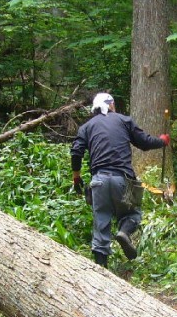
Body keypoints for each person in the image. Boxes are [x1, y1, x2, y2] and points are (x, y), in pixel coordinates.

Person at [71, 92, 170, 266]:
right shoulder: (124, 121)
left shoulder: (86, 127)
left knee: (101, 222)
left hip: (99, 181)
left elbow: (76, 152)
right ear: (110, 104)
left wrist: (76, 178)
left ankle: (101, 270)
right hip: (122, 179)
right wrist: (161, 141)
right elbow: (144, 142)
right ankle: (124, 233)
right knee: (132, 213)